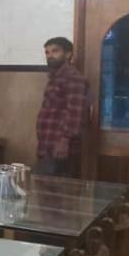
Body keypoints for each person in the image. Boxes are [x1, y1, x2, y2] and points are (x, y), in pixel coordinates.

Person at [36, 37, 88, 177]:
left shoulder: (73, 78)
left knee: (55, 187)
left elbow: (75, 114)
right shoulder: (55, 77)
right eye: (47, 52)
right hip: (47, 145)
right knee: (44, 186)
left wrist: (64, 141)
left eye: (55, 51)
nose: (50, 56)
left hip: (60, 148)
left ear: (68, 54)